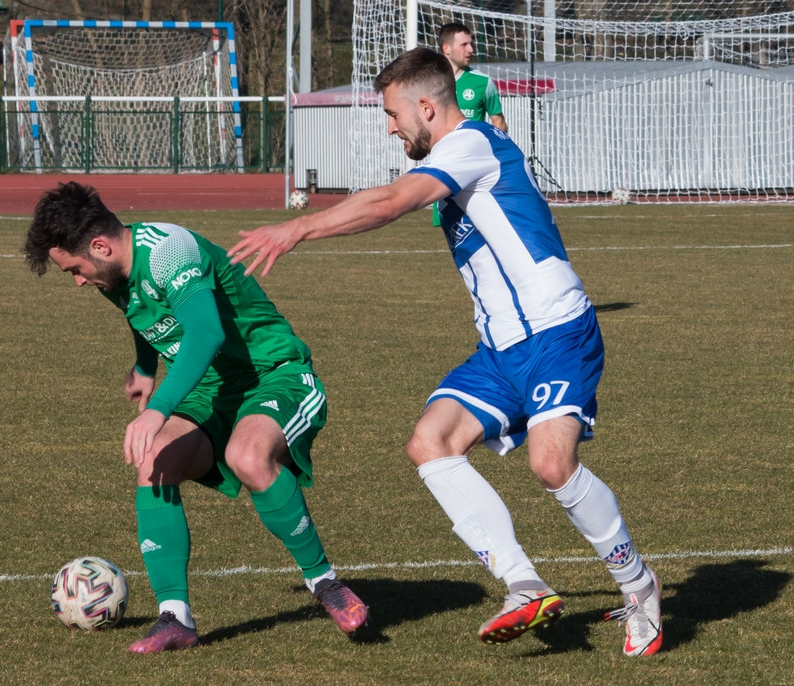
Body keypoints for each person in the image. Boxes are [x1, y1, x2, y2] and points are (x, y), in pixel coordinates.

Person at [228, 48, 662, 657]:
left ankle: (639, 588)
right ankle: (523, 584)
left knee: (550, 465)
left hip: (556, 331)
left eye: (392, 113)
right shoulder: (453, 153)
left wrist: (297, 227)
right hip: (500, 346)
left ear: (426, 107)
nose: (390, 127)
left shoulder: (470, 145)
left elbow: (391, 200)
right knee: (429, 443)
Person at [25, 181, 368, 654]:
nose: (79, 281)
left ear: (100, 246)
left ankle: (325, 584)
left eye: (76, 269)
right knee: (154, 460)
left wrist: (157, 411)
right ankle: (176, 619)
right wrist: (146, 368)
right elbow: (141, 313)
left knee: (247, 456)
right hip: (212, 388)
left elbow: (204, 334)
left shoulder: (169, 251)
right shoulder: (114, 272)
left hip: (274, 374)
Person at [438, 21, 507, 132]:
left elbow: (499, 122)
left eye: (471, 44)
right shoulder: (429, 81)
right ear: (447, 48)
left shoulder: (483, 82)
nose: (471, 49)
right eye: (464, 45)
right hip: (440, 149)